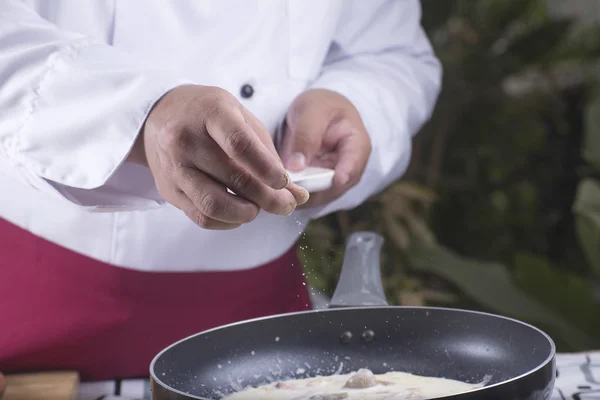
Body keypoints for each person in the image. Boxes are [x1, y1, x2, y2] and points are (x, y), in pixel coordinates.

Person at [0, 0, 441, 383]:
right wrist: (141, 115)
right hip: (37, 313)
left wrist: (354, 102)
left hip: (266, 317)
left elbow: (391, 52)